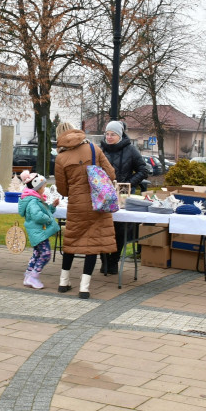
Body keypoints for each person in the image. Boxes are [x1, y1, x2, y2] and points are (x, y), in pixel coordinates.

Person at [54, 121, 116, 299]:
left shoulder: (61, 158)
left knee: (71, 242)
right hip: (97, 204)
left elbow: (62, 190)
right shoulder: (94, 149)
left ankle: (63, 282)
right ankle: (84, 287)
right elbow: (111, 174)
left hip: (76, 206)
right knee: (92, 245)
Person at [99, 120, 150, 275]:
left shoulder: (131, 150)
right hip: (103, 195)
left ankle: (114, 261)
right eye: (107, 134)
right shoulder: (100, 150)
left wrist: (128, 184)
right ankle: (104, 261)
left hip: (122, 197)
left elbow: (143, 170)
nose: (109, 137)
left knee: (119, 230)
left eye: (112, 134)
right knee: (101, 228)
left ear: (119, 135)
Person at [17, 170, 59, 290]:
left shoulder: (34, 199)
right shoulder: (33, 201)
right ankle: (33, 276)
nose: (44, 189)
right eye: (43, 187)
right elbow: (38, 215)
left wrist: (52, 207)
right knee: (45, 254)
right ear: (37, 188)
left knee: (37, 253)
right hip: (38, 232)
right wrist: (48, 219)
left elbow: (43, 211)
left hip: (37, 232)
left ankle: (28, 275)